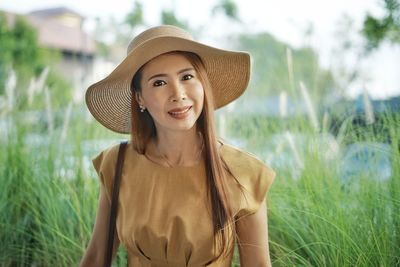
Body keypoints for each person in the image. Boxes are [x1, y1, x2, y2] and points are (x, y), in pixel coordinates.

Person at [80, 25, 276, 267]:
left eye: (187, 77)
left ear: (203, 83)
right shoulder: (117, 164)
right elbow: (97, 257)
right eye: (159, 83)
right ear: (140, 97)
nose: (178, 94)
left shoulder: (244, 173)